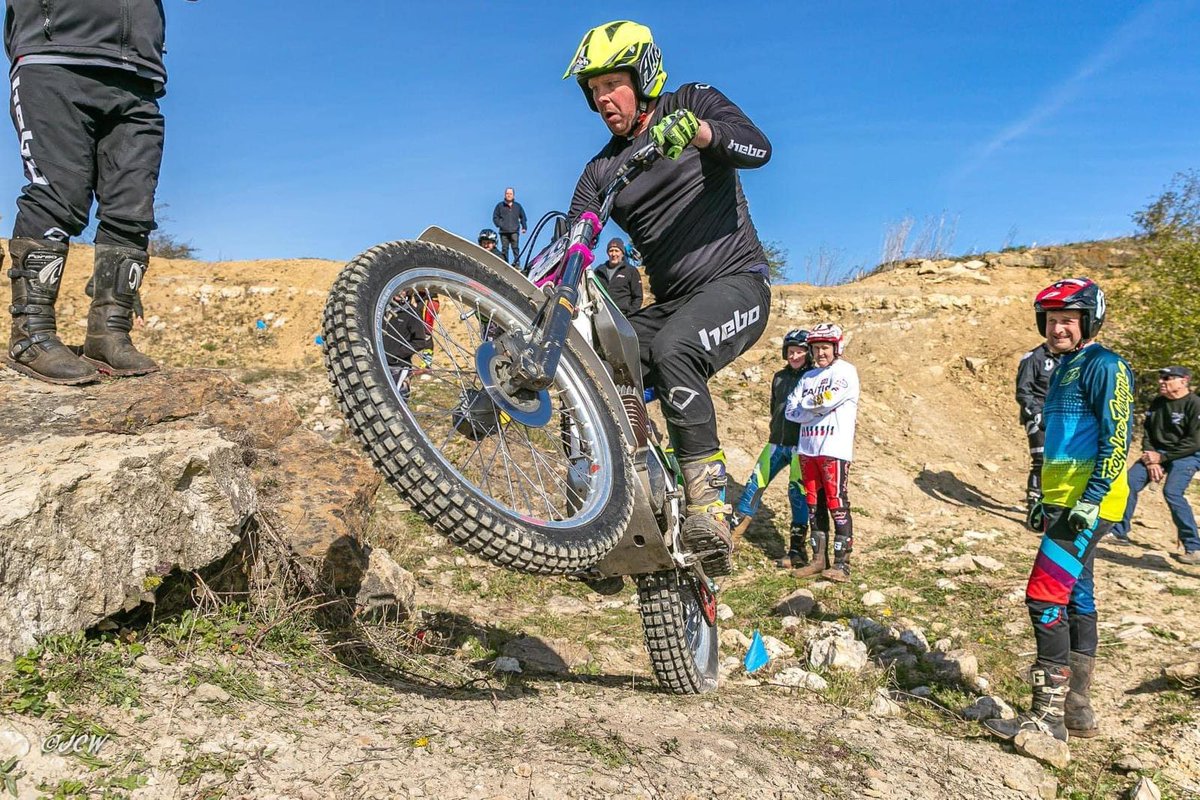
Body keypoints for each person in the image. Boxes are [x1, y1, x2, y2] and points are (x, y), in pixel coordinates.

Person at [564, 19, 772, 577]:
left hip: (737, 283)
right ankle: (608, 510)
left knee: (677, 348)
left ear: (642, 74)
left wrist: (702, 132)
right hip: (674, 301)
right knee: (590, 373)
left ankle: (710, 507)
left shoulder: (693, 100)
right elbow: (575, 240)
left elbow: (760, 148)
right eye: (593, 91)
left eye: (611, 84)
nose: (602, 99)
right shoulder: (601, 169)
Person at [3, 0, 192, 384]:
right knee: (57, 198)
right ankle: (32, 336)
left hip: (137, 73)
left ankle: (109, 333)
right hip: (53, 56)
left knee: (132, 211)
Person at [985, 278, 1133, 744]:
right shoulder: (1063, 367)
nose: (1058, 328)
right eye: (1051, 320)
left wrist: (1091, 499)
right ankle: (1078, 709)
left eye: (1068, 320)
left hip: (1089, 503)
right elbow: (1059, 444)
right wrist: (1042, 500)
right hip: (1062, 500)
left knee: (1044, 595)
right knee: (1076, 594)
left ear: (1088, 321)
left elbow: (1118, 437)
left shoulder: (1105, 365)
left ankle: (1046, 717)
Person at [783, 323, 860, 582]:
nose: (819, 353)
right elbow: (790, 411)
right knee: (813, 505)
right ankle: (818, 560)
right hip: (807, 448)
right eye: (815, 348)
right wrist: (813, 407)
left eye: (825, 348)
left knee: (837, 502)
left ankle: (842, 564)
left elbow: (827, 400)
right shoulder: (807, 377)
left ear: (836, 348)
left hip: (833, 448)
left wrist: (810, 406)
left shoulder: (846, 371)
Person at [729, 329, 811, 567]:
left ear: (808, 354)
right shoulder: (778, 377)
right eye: (791, 352)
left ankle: (797, 552)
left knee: (797, 495)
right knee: (754, 485)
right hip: (776, 443)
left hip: (801, 446)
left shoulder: (813, 377)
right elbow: (774, 407)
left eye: (799, 352)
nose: (794, 356)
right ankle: (731, 540)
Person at [1108, 366, 1200, 562]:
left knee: (1172, 492)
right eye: (1160, 378)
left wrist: (1162, 459)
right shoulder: (1158, 402)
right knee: (1128, 483)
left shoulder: (1194, 404)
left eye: (1167, 378)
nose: (1161, 381)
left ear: (1183, 381)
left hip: (1187, 454)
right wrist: (1151, 459)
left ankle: (1193, 547)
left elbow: (1195, 442)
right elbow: (1148, 433)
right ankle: (1118, 531)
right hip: (1156, 454)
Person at [1016, 339, 1063, 515]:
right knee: (1041, 460)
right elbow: (1023, 391)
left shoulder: (1067, 358)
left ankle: (1051, 505)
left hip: (1060, 417)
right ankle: (1034, 507)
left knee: (1059, 462)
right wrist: (1036, 414)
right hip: (1037, 415)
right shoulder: (1034, 357)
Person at [594, 237, 643, 318]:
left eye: (616, 251)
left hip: (622, 317)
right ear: (607, 253)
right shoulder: (599, 270)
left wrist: (629, 316)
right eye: (611, 251)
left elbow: (638, 297)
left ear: (622, 253)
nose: (613, 254)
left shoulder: (631, 271)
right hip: (600, 315)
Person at [491, 188, 527, 266]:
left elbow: (523, 217)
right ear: (505, 195)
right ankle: (505, 264)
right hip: (504, 232)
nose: (509, 195)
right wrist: (500, 224)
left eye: (510, 194)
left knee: (515, 248)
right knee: (504, 249)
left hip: (514, 231)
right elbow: (495, 217)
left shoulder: (517, 206)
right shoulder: (500, 205)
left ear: (513, 195)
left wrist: (524, 227)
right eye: (507, 193)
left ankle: (517, 264)